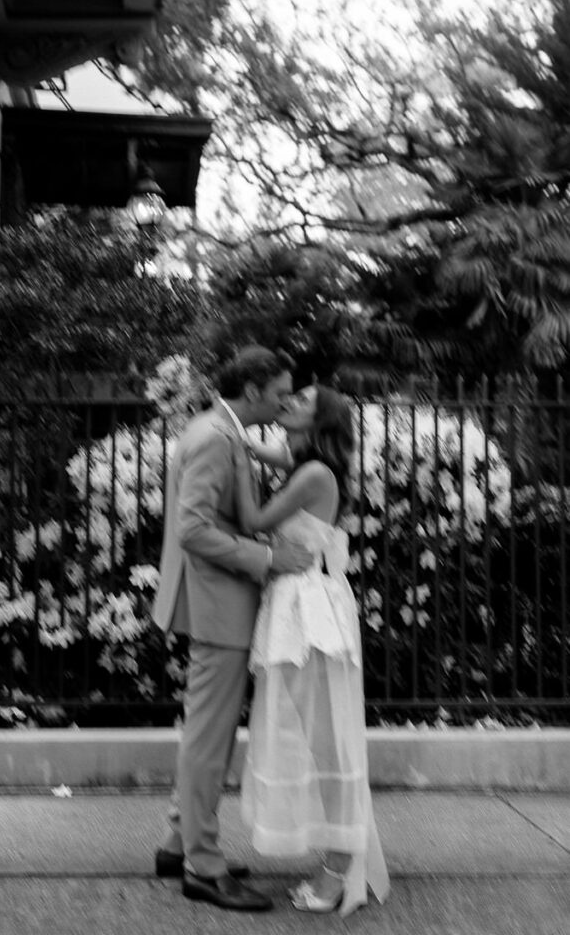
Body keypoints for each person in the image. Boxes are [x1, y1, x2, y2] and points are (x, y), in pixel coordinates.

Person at [151, 346, 314, 912]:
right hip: (217, 606)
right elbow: (194, 530)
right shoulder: (215, 438)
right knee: (208, 738)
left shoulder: (222, 430)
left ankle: (178, 843)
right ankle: (203, 864)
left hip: (221, 604)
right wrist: (267, 561)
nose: (284, 401)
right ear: (251, 390)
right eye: (278, 393)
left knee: (208, 733)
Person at [235, 384, 390, 917]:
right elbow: (266, 449)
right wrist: (237, 435)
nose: (289, 400)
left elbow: (254, 521)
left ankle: (340, 869)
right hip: (297, 603)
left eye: (300, 399)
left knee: (327, 745)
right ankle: (340, 858)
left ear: (318, 419)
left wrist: (235, 467)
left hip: (310, 612)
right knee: (314, 734)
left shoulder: (313, 474)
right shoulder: (306, 462)